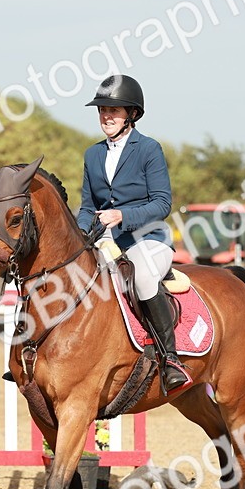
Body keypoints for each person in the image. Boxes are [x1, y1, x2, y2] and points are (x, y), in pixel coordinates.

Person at [76, 75, 192, 394]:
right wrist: (80, 234)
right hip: (106, 240)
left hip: (149, 239)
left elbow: (162, 203)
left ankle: (170, 360)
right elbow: (88, 206)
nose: (106, 116)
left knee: (141, 276)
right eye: (102, 110)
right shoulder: (92, 155)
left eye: (113, 110)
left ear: (132, 114)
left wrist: (122, 216)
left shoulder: (149, 149)